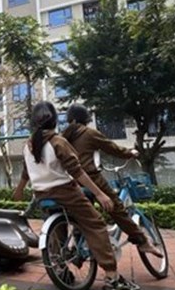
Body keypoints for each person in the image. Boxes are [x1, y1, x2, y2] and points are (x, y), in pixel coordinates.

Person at [12, 101, 142, 290]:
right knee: (96, 224)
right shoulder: (57, 142)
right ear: (55, 121)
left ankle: (60, 268)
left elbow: (25, 172)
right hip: (66, 193)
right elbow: (77, 172)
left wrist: (19, 190)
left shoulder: (28, 145)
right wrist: (100, 194)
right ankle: (112, 277)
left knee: (58, 233)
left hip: (41, 195)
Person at [60, 104, 163, 258]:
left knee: (83, 216)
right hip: (91, 178)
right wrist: (130, 153)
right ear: (85, 119)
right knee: (117, 208)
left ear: (70, 120)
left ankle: (78, 248)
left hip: (71, 181)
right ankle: (142, 242)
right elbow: (112, 148)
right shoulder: (89, 133)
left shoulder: (63, 137)